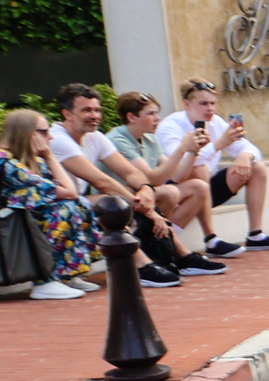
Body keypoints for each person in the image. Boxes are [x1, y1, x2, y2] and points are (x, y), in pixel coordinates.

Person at [50, 84, 210, 280]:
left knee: (141, 195)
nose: (95, 115)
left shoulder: (95, 137)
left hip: (79, 200)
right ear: (67, 114)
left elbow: (131, 172)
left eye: (97, 110)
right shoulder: (58, 139)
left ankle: (175, 254)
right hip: (54, 204)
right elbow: (102, 181)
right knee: (113, 205)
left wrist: (145, 190)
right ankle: (143, 266)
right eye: (87, 110)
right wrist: (147, 208)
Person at [153, 79, 269, 249]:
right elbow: (181, 165)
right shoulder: (170, 126)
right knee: (200, 169)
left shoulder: (216, 122)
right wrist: (219, 144)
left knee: (257, 167)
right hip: (181, 193)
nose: (210, 108)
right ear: (187, 104)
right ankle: (211, 239)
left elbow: (251, 149)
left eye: (212, 103)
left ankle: (256, 235)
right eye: (203, 104)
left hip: (209, 189)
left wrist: (245, 156)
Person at [3, 107, 112, 298]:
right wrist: (50, 156)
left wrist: (47, 158)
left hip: (22, 222)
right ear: (26, 133)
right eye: (44, 132)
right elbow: (68, 192)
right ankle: (44, 280)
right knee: (64, 209)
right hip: (9, 225)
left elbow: (73, 192)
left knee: (81, 204)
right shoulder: (6, 163)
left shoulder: (31, 159)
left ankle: (66, 275)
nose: (50, 138)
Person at [106, 90, 219, 258]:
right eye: (150, 114)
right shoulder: (118, 140)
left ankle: (163, 242)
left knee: (199, 187)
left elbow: (176, 177)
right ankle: (160, 247)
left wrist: (193, 151)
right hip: (120, 200)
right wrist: (182, 148)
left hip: (145, 197)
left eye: (156, 113)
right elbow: (152, 179)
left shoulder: (149, 138)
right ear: (132, 117)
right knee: (169, 192)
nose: (157, 118)